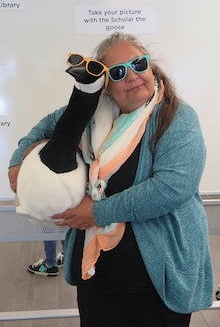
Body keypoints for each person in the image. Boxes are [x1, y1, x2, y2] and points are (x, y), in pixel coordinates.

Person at [8, 32, 213, 327]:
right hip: (97, 279)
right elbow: (46, 125)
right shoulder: (94, 114)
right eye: (118, 72)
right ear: (106, 86)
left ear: (150, 67)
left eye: (138, 64)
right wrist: (17, 162)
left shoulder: (177, 118)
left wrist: (96, 212)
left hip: (157, 284)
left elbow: (170, 189)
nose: (132, 76)